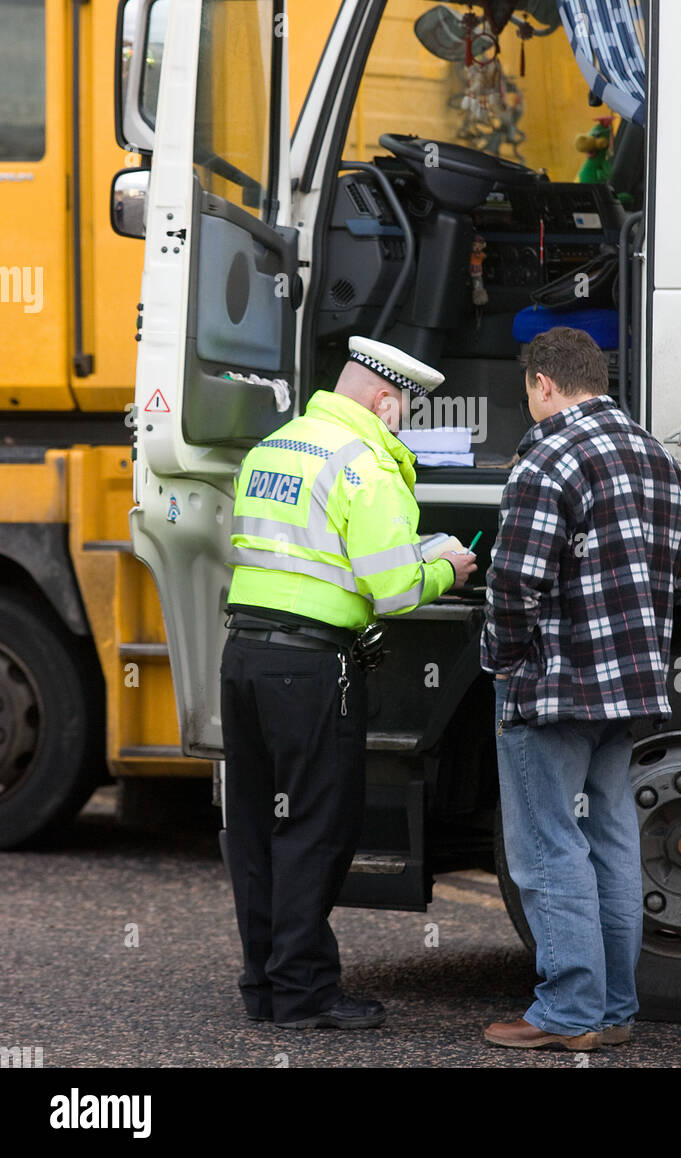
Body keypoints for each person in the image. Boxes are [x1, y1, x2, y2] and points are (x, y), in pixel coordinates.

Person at [220, 336, 477, 1030]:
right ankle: (304, 992)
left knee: (254, 827)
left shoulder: (276, 446)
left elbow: (295, 551)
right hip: (311, 666)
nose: (403, 425)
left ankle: (266, 987)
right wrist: (448, 568)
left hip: (242, 653)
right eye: (404, 412)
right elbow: (393, 588)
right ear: (386, 401)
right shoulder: (362, 461)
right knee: (316, 826)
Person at [481, 326, 681, 1051]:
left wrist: (504, 659)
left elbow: (515, 578)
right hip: (628, 688)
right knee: (611, 838)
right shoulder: (656, 456)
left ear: (543, 383)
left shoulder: (549, 453)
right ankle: (612, 1008)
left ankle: (567, 1013)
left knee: (547, 848)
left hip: (554, 684)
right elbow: (675, 572)